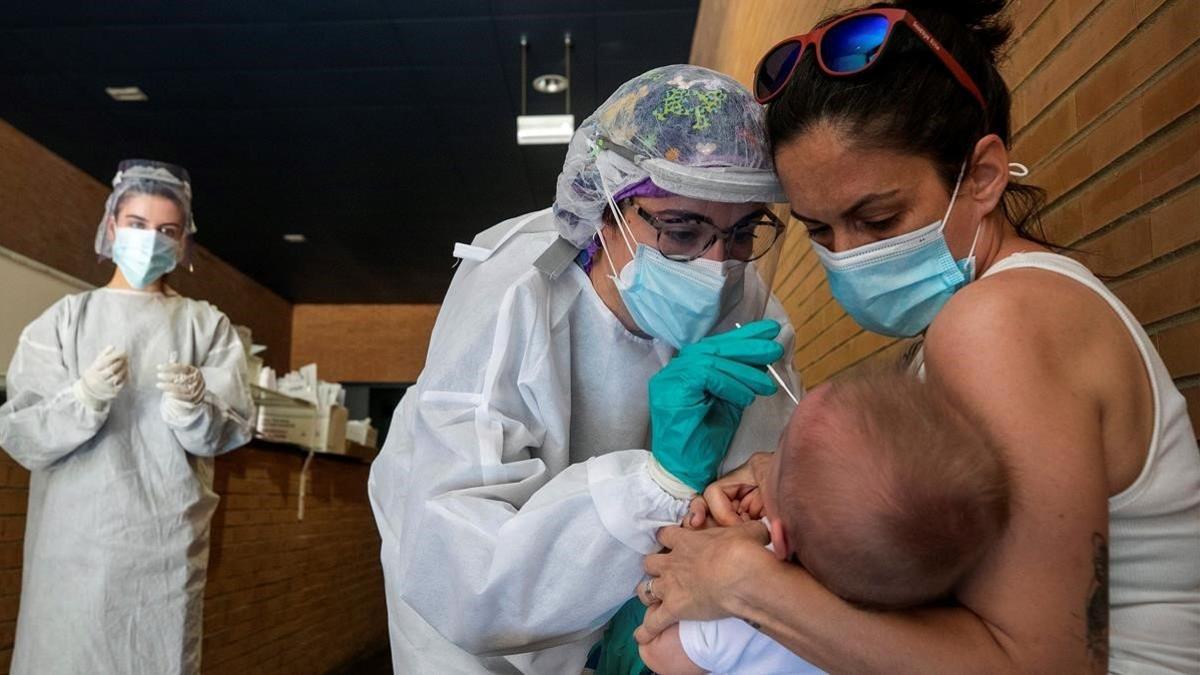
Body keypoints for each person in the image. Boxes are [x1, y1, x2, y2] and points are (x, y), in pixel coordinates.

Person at [635, 1, 1200, 672]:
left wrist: (745, 583)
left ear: (983, 176)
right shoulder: (994, 312)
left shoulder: (997, 322)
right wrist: (789, 484)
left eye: (876, 218)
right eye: (819, 230)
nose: (847, 255)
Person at [367, 64, 802, 674]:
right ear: (605, 208)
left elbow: (761, 494)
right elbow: (465, 579)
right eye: (681, 230)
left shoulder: (750, 306)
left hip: (650, 602)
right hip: (470, 619)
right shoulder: (516, 297)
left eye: (743, 232)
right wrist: (663, 485)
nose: (717, 265)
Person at [0, 159, 255, 674]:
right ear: (112, 226)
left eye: (167, 230)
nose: (150, 240)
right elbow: (22, 435)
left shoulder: (206, 326)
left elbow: (230, 431)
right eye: (137, 225)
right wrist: (84, 397)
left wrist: (194, 406)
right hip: (72, 546)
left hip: (163, 545)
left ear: (183, 242)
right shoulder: (65, 321)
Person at [637, 369, 1010, 674]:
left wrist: (710, 538)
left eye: (779, 448)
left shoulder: (735, 616)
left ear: (780, 540)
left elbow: (658, 653)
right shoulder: (932, 618)